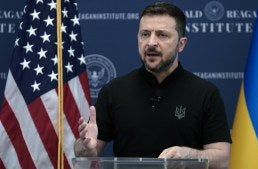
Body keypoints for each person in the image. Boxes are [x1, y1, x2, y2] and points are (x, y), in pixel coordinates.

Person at [74, 2, 231, 169]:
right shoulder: (113, 91)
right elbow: (86, 153)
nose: (151, 42)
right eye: (145, 34)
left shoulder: (206, 93)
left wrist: (189, 155)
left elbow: (222, 158)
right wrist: (85, 147)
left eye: (162, 35)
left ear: (181, 44)